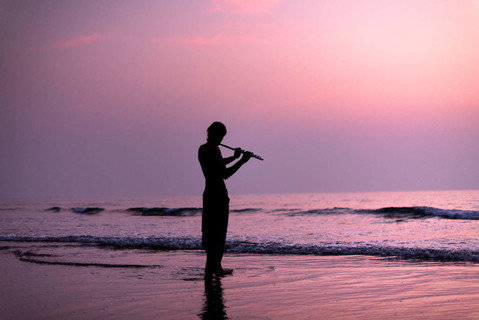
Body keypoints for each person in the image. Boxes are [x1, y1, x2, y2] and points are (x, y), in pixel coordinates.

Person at [198, 122, 252, 276]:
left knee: (210, 231)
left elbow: (217, 165)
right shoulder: (214, 150)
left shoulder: (203, 149)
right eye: (220, 136)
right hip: (218, 195)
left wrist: (234, 157)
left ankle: (212, 266)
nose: (221, 139)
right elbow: (224, 174)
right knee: (219, 232)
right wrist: (242, 161)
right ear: (216, 134)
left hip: (208, 195)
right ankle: (216, 267)